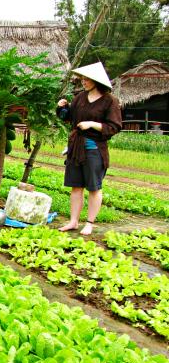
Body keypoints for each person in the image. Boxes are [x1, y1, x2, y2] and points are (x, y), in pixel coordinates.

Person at [57, 62, 122, 235]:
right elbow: (69, 118)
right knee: (76, 186)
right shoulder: (79, 97)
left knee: (94, 187)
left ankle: (90, 223)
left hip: (94, 149)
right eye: (83, 79)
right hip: (76, 148)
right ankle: (73, 221)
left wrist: (92, 124)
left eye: (87, 79)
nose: (83, 82)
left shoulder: (110, 101)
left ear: (96, 80)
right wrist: (62, 108)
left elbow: (114, 126)